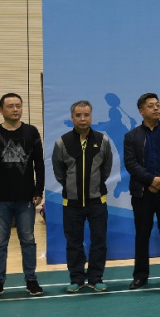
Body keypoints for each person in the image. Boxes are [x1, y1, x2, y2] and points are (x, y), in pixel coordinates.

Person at [0, 93, 45, 299]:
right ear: (1, 110)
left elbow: (39, 164)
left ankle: (31, 280)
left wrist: (38, 190)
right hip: (0, 199)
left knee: (28, 240)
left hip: (26, 198)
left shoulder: (31, 132)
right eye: (10, 106)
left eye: (18, 105)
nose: (15, 109)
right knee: (0, 242)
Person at [123, 92, 160, 289]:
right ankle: (140, 276)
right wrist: (151, 180)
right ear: (141, 111)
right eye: (151, 106)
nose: (156, 108)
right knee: (142, 235)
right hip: (142, 193)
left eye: (158, 105)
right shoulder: (131, 136)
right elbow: (131, 163)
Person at [52, 100, 113, 293]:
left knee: (99, 242)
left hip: (97, 202)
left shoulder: (102, 141)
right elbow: (59, 172)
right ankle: (76, 279)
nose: (82, 119)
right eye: (78, 115)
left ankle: (95, 278)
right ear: (72, 117)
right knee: (74, 243)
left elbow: (106, 169)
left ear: (91, 116)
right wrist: (72, 188)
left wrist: (95, 185)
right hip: (72, 204)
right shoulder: (62, 143)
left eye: (86, 115)